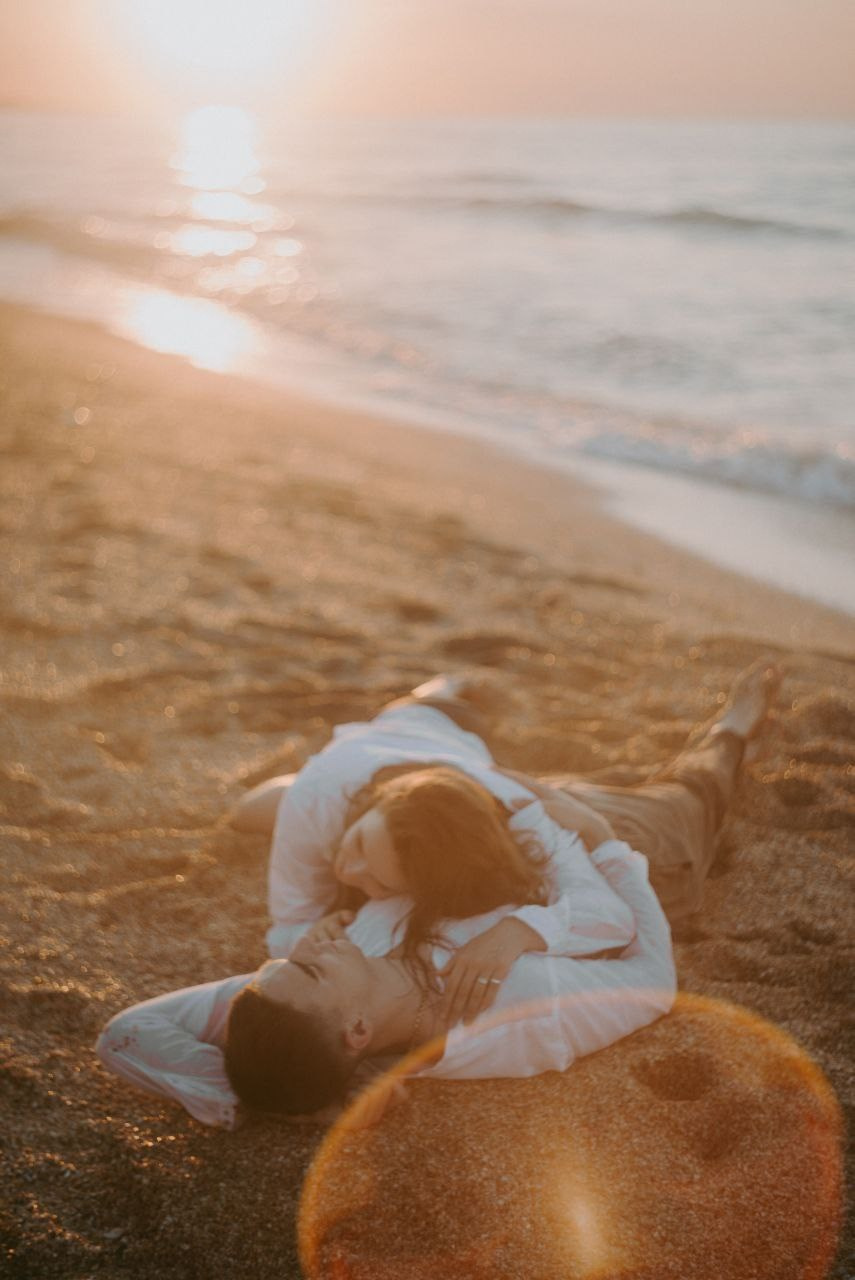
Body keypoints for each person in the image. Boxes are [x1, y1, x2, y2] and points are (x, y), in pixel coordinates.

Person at [95, 663, 780, 1127]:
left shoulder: (300, 1000)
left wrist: (259, 1090)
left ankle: (371, 767)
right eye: (305, 963)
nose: (301, 947)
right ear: (356, 1034)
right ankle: (733, 726)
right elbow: (652, 985)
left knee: (303, 804)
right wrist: (603, 849)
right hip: (628, 862)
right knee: (689, 794)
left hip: (506, 833)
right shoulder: (504, 1007)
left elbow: (125, 1034)